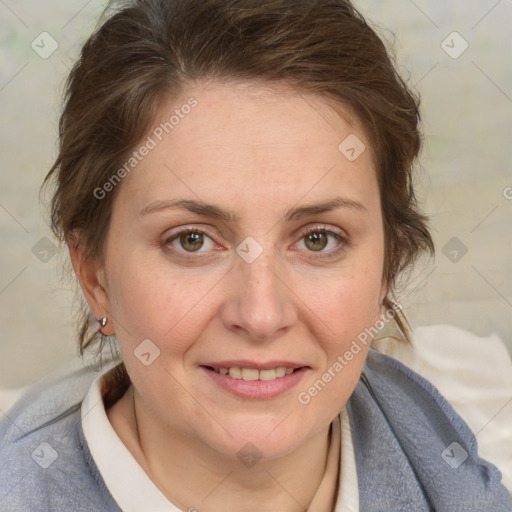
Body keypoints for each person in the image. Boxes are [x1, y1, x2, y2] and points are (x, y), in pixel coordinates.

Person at [0, 0, 511, 510]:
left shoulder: (478, 428)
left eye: (318, 239)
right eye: (192, 240)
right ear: (94, 274)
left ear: (387, 268)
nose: (261, 315)